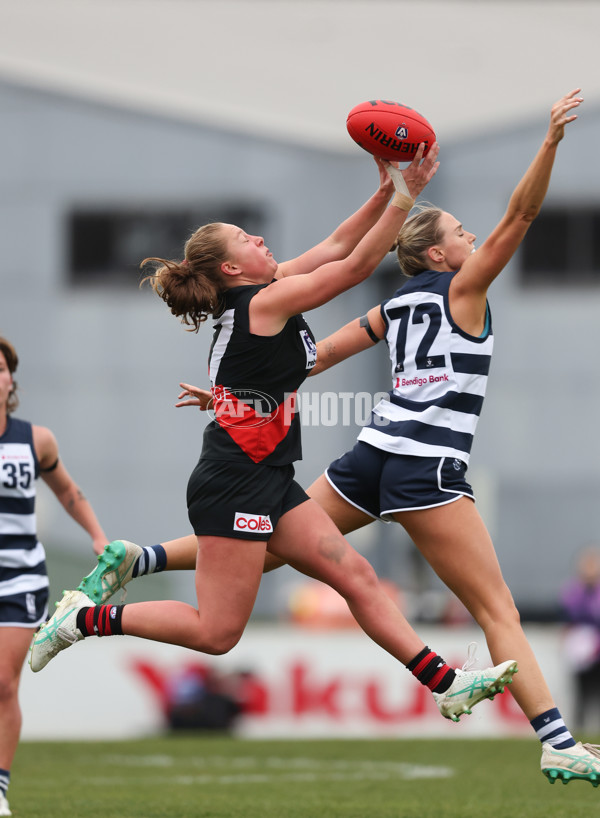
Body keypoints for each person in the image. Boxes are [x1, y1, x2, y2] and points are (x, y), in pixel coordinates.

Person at [65, 89, 600, 787]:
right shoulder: (464, 290)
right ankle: (556, 739)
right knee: (495, 607)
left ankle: (142, 557)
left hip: (369, 458)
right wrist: (551, 144)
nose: (474, 237)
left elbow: (309, 360)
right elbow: (521, 215)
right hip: (423, 466)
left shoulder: (396, 304)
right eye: (462, 232)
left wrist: (231, 395)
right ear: (440, 253)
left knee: (283, 552)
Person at [30, 145, 519, 727]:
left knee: (356, 575)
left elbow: (339, 245)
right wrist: (406, 196)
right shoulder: (269, 299)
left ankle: (447, 684)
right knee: (217, 634)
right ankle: (82, 622)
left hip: (268, 476)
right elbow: (357, 267)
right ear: (232, 269)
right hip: (236, 481)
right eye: (247, 239)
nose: (262, 242)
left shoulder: (269, 290)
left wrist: (389, 189)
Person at [0, 336, 108, 817]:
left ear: (11, 380)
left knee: (3, 684)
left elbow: (68, 492)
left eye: (0, 369)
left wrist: (98, 536)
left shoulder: (34, 439)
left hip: (20, 576)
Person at [560, 545, 600, 733]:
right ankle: (579, 730)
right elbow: (568, 619)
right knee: (581, 693)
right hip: (581, 654)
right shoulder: (573, 592)